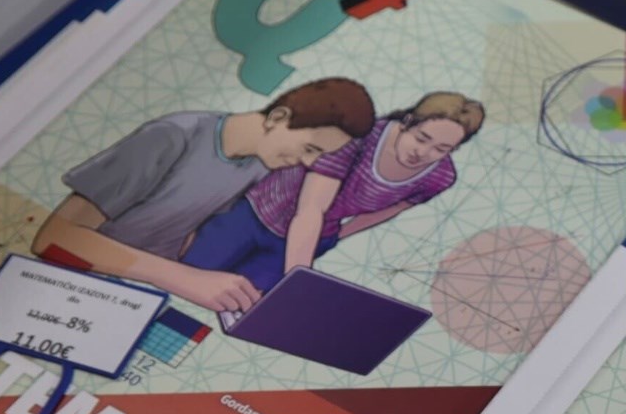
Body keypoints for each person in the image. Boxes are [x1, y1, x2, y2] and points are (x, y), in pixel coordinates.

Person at [33, 79, 376, 317]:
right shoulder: (173, 135)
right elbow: (55, 238)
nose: (309, 164)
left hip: (144, 295)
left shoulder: (260, 165)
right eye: (310, 148)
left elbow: (186, 229)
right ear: (278, 118)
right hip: (74, 289)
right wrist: (182, 278)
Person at [183, 92, 483, 294]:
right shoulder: (360, 138)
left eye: (441, 149)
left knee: (242, 302)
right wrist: (299, 276)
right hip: (256, 215)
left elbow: (393, 208)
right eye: (421, 138)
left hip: (313, 237)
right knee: (191, 275)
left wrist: (338, 236)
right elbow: (311, 209)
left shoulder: (440, 177)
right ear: (407, 123)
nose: (424, 153)